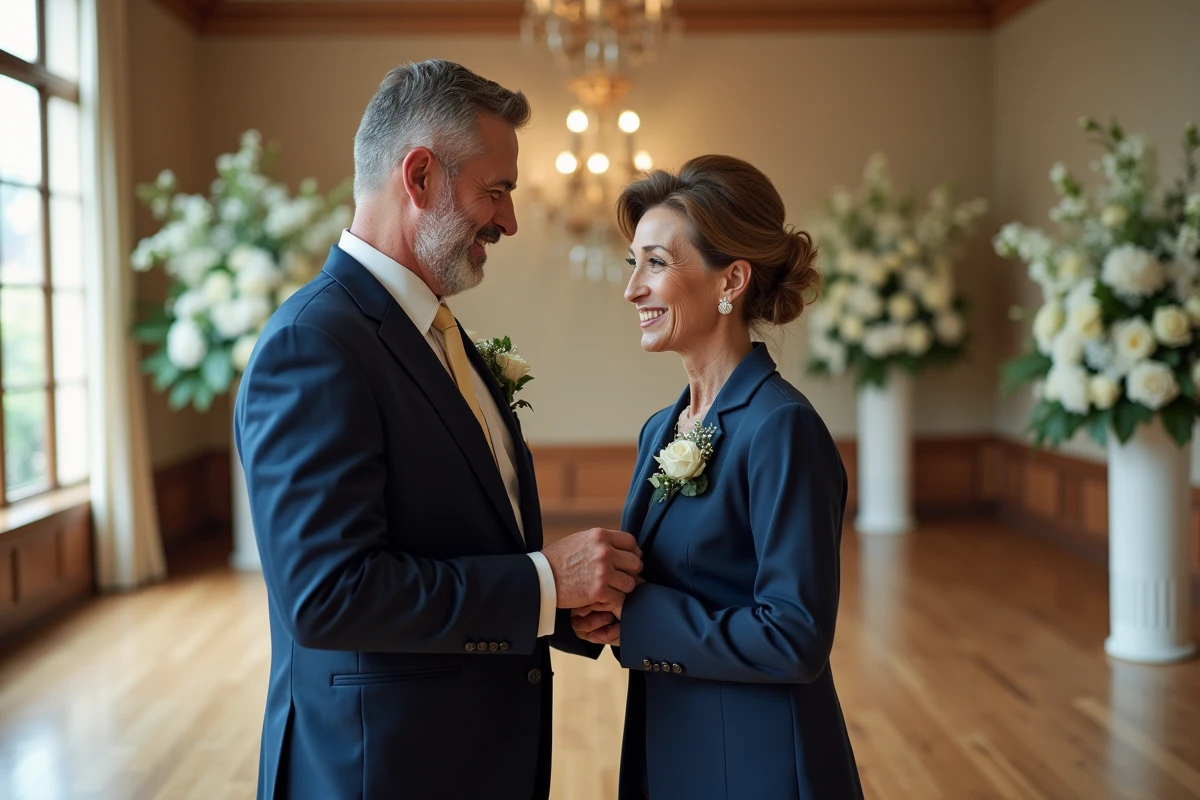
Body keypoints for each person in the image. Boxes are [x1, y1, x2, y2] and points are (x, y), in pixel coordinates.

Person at [234, 59, 643, 800]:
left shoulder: (437, 330)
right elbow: (330, 594)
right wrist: (545, 583)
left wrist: (565, 606)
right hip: (380, 769)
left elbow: (465, 538)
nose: (512, 221)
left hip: (463, 753)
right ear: (419, 176)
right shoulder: (314, 345)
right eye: (498, 191)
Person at [573, 155, 865, 799]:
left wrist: (638, 616)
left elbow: (794, 638)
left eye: (656, 263)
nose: (632, 289)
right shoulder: (661, 429)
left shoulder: (780, 429)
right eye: (633, 264)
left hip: (755, 760)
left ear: (731, 279)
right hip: (671, 740)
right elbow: (645, 587)